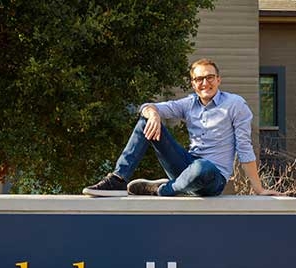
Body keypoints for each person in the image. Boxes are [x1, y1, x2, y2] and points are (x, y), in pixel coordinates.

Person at [82, 58, 280, 197]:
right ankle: (118, 179)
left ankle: (163, 190)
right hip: (186, 166)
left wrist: (259, 189)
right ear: (193, 84)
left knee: (203, 166)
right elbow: (148, 107)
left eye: (210, 77)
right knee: (146, 122)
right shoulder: (189, 103)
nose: (205, 83)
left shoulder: (235, 104)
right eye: (199, 79)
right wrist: (152, 114)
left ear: (218, 80)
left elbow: (244, 147)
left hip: (212, 177)